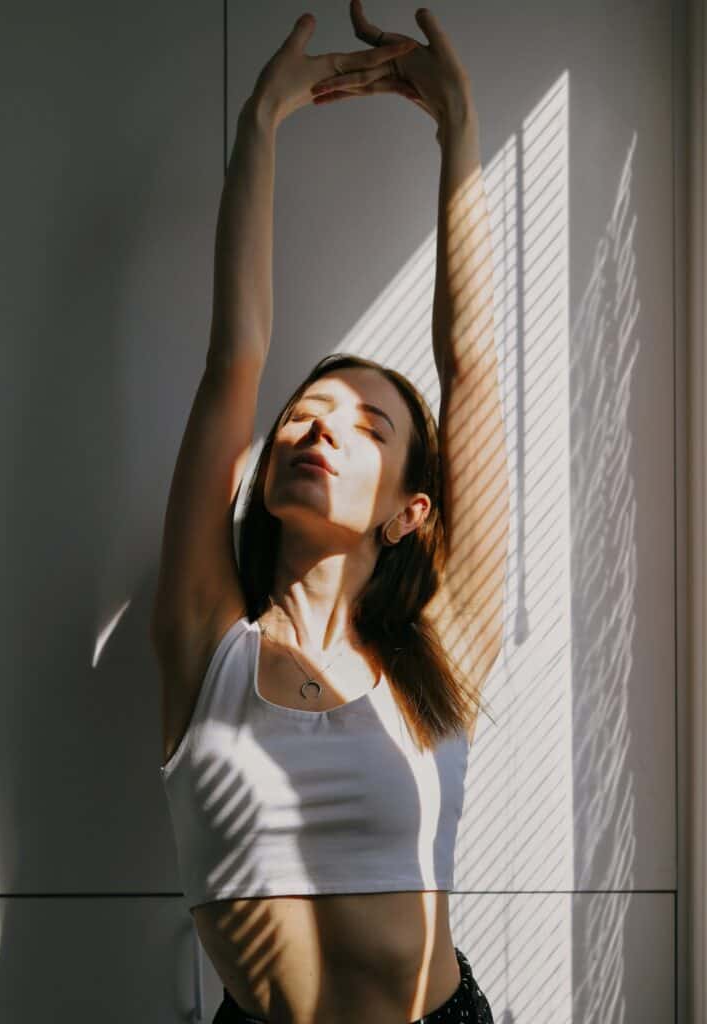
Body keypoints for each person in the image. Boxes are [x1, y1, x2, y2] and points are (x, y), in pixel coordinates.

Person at [152, 3, 507, 1021]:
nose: (319, 429)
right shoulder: (201, 643)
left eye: (366, 427)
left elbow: (471, 368)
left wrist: (461, 131)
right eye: (305, 416)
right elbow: (235, 355)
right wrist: (260, 121)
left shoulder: (441, 652)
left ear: (410, 510)